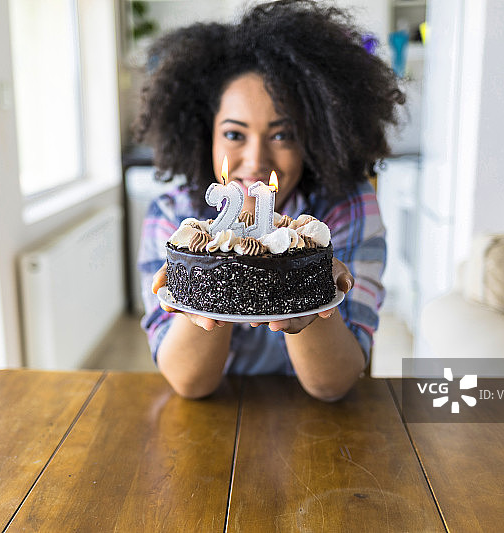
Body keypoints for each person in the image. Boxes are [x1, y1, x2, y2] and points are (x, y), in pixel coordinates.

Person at [134, 0, 404, 401]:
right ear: (203, 132)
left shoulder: (346, 208)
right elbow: (190, 383)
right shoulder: (174, 216)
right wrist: (204, 285)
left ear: (315, 137)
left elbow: (332, 385)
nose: (256, 161)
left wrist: (307, 282)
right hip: (217, 412)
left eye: (282, 135)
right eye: (234, 134)